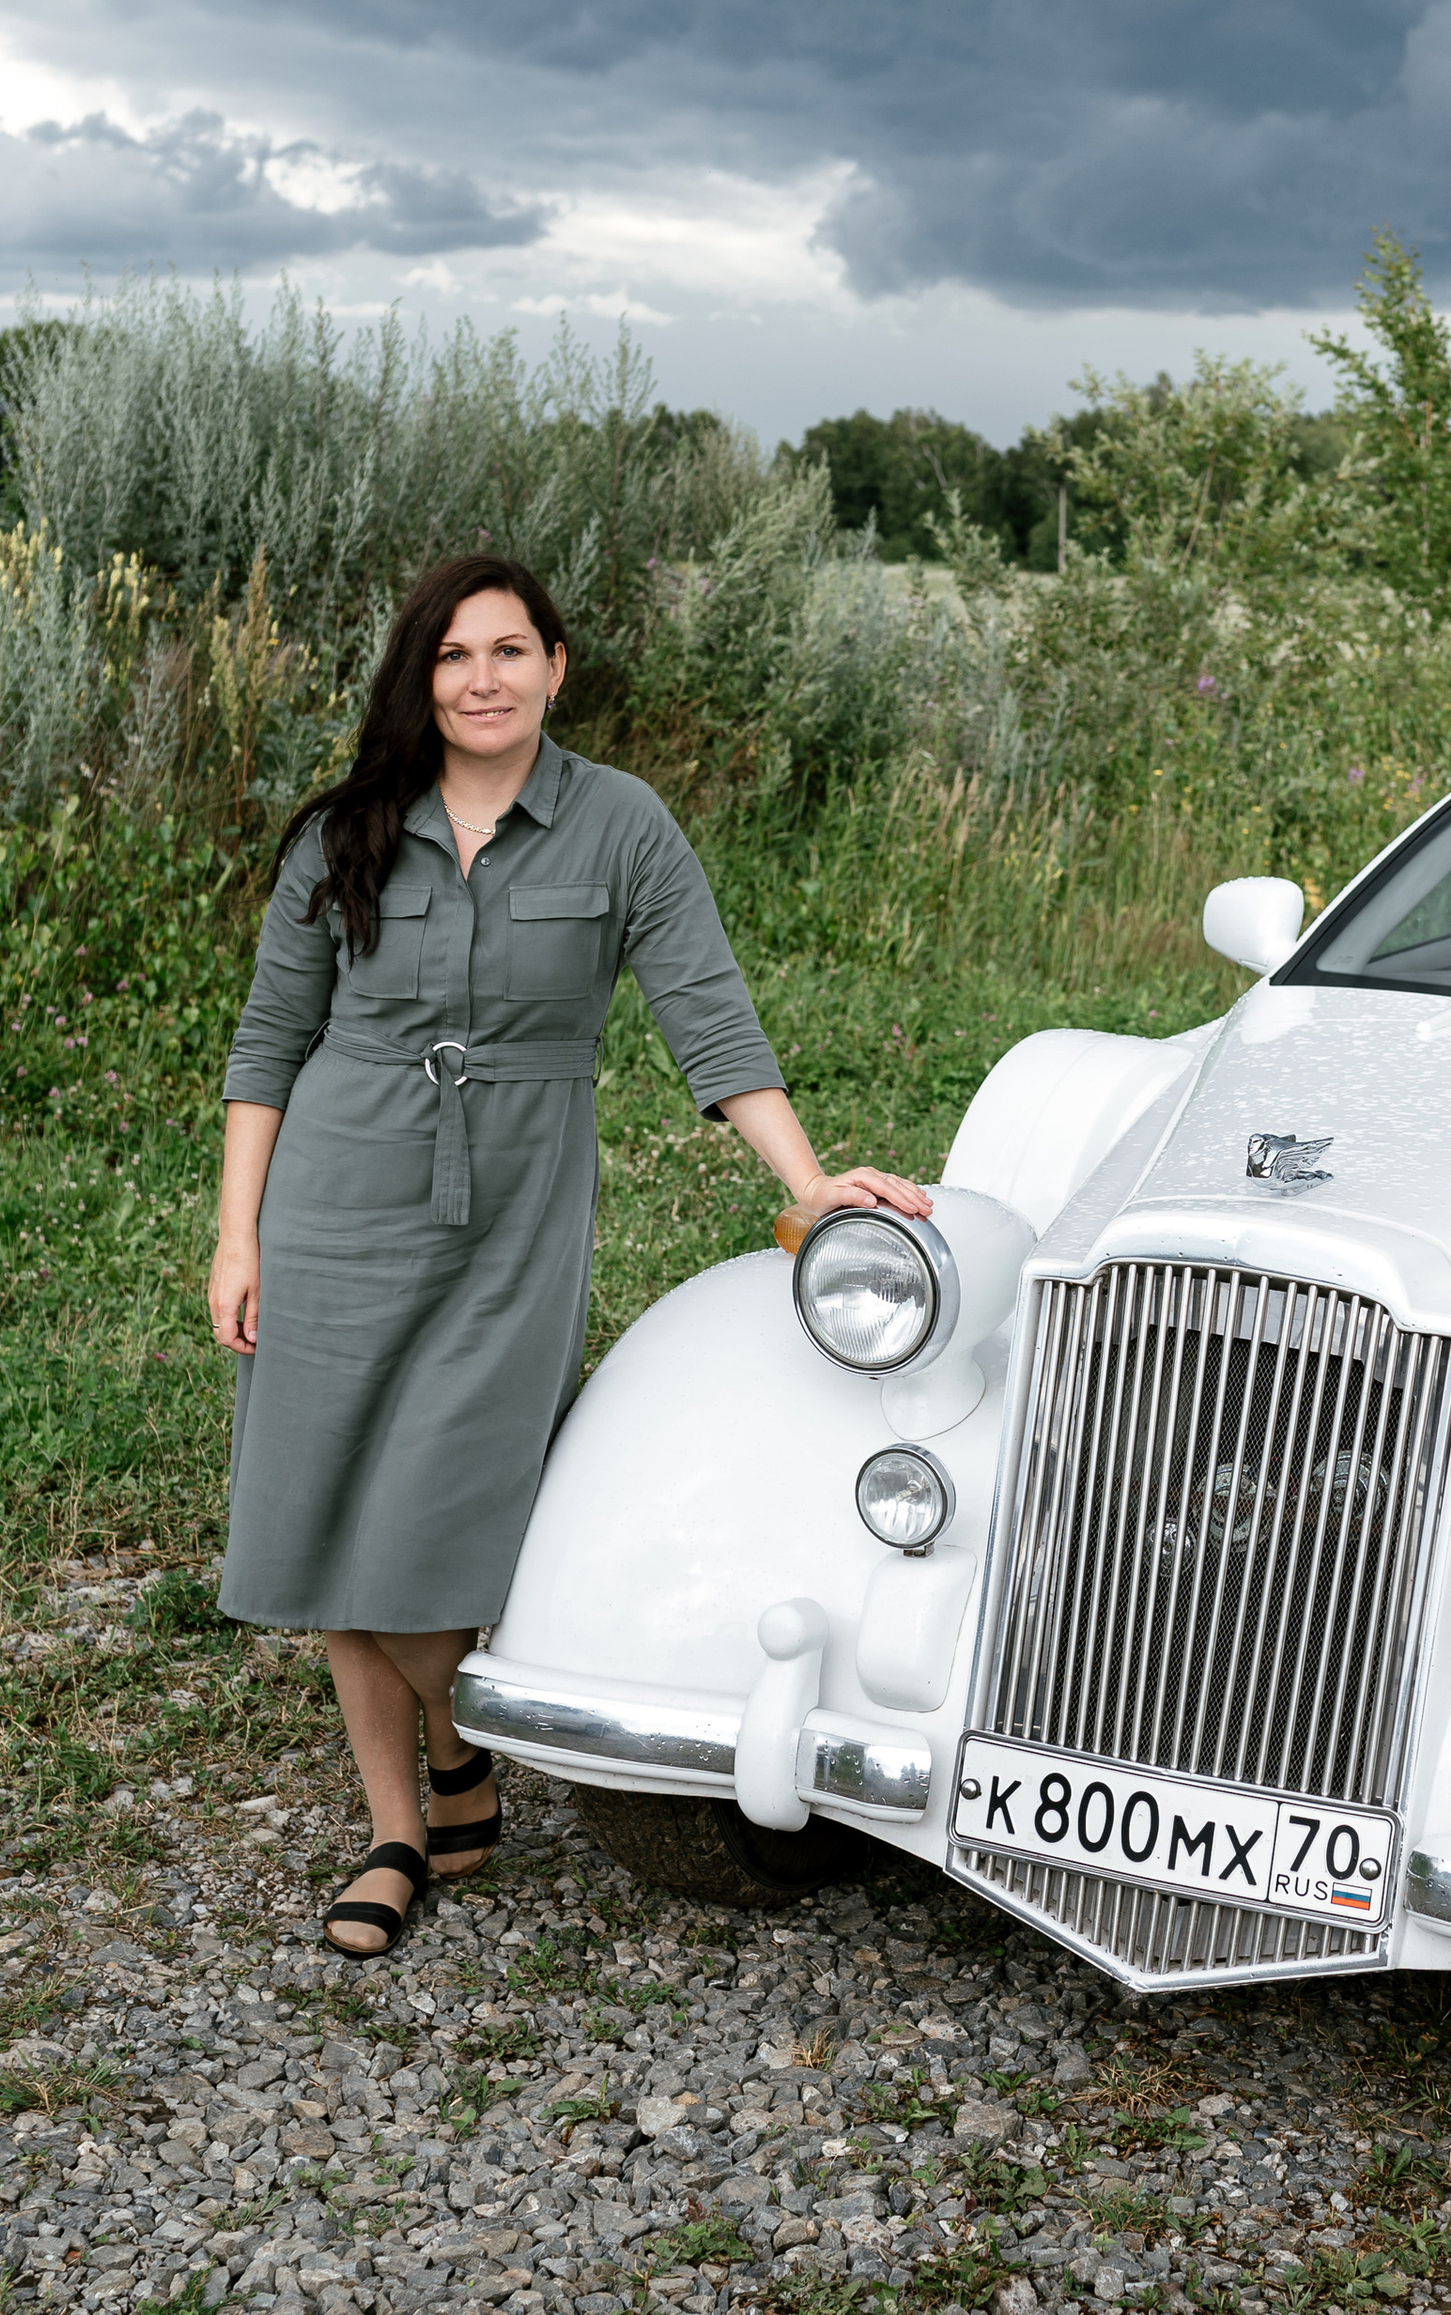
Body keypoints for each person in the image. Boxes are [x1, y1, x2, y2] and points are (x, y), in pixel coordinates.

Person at [209, 551, 931, 1961]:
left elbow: (709, 1018)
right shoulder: (349, 828)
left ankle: (461, 1738)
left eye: (509, 651)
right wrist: (239, 1230)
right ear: (422, 678)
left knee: (438, 1499)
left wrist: (808, 1184)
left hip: (512, 1206)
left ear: (556, 666)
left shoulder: (623, 827)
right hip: (337, 1193)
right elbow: (266, 1043)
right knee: (327, 1500)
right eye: (453, 656)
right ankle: (400, 1820)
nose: (482, 680)